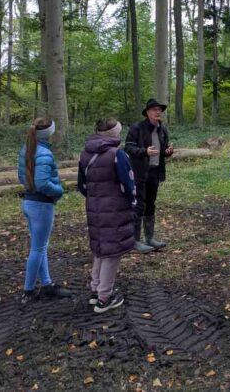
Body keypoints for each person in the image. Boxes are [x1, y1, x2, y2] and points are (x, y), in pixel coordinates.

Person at [78, 118, 137, 313]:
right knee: (112, 253)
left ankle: (95, 291)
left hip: (94, 209)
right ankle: (105, 297)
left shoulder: (85, 154)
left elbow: (82, 185)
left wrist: (96, 198)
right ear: (114, 134)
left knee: (100, 250)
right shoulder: (117, 155)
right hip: (114, 210)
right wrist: (132, 202)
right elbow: (128, 185)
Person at [17, 117, 71, 303]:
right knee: (38, 249)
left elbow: (22, 177)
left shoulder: (27, 149)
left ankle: (46, 284)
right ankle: (29, 291)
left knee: (40, 247)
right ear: (49, 132)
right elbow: (42, 183)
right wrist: (59, 191)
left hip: (29, 203)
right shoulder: (44, 153)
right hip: (41, 206)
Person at [125, 99, 174, 253]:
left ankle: (150, 238)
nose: (157, 112)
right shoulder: (137, 128)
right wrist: (144, 151)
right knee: (139, 204)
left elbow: (164, 148)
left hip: (155, 171)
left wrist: (168, 151)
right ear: (147, 112)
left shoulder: (162, 129)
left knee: (151, 203)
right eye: (154, 110)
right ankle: (135, 241)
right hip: (139, 172)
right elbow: (128, 147)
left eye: (159, 110)